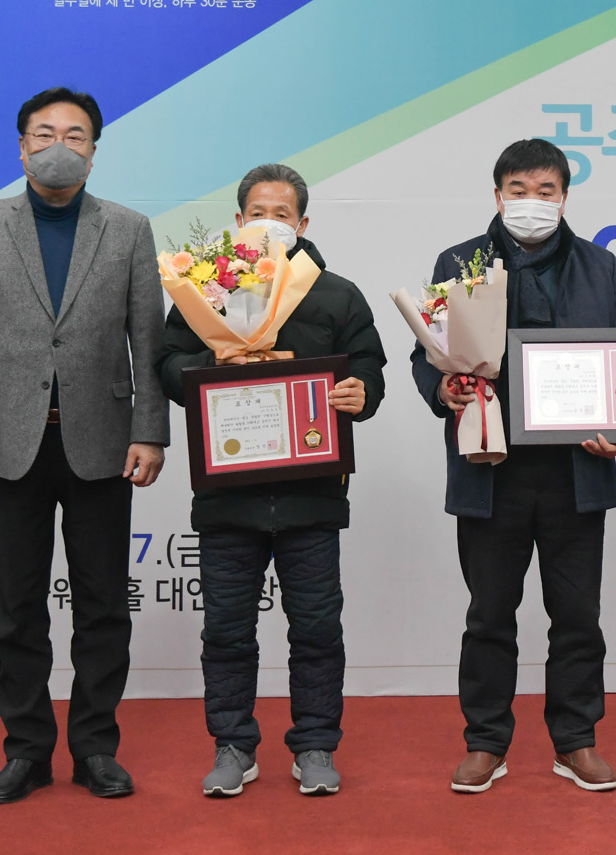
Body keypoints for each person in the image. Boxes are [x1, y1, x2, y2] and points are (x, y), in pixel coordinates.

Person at [0, 87, 168, 804]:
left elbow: (148, 342)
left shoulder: (128, 229)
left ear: (94, 151)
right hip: (6, 443)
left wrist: (150, 431)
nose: (58, 145)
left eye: (74, 135)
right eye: (44, 134)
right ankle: (27, 751)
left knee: (103, 605)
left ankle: (96, 747)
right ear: (21, 147)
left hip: (102, 441)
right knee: (18, 607)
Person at [411, 139, 616, 795]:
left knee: (578, 616)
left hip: (576, 472)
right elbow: (426, 353)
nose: (531, 202)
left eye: (545, 191)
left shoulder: (600, 266)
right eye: (519, 190)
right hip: (491, 468)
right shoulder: (459, 263)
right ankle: (486, 742)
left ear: (564, 197)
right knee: (489, 614)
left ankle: (576, 740)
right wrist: (443, 388)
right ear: (497, 194)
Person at [156, 164, 386, 799]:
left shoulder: (336, 294)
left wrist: (361, 392)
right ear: (238, 221)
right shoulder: (205, 290)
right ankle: (233, 745)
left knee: (316, 629)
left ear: (302, 223)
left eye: (281, 214)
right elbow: (165, 364)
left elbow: (369, 368)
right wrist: (211, 360)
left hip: (312, 496)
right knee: (227, 631)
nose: (268, 222)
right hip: (228, 497)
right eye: (258, 212)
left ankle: (315, 744)